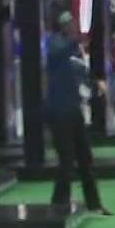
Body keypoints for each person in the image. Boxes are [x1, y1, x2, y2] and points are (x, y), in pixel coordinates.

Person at [44, 13, 110, 216]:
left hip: (74, 108)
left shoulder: (75, 50)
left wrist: (94, 83)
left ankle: (94, 204)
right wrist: (76, 38)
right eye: (68, 24)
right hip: (58, 109)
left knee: (85, 158)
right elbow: (57, 53)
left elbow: (80, 73)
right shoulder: (52, 43)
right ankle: (59, 203)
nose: (72, 26)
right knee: (66, 159)